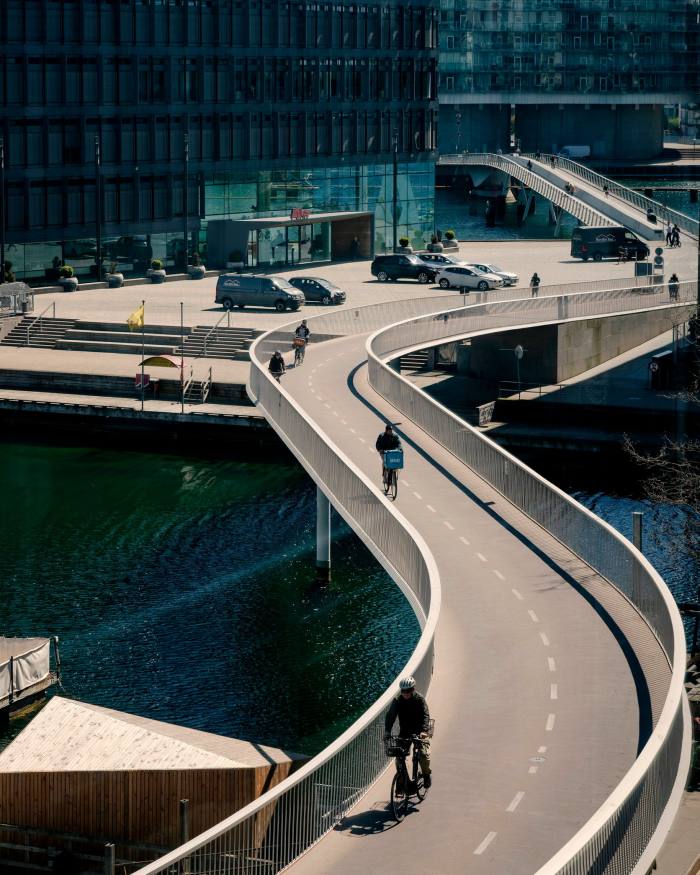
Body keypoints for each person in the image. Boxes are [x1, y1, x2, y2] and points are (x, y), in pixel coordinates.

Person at [384, 676, 432, 789]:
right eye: (403, 691)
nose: (405, 693)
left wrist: (424, 730)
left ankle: (426, 775)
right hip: (405, 732)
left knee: (423, 755)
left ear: (413, 689)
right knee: (399, 758)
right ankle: (401, 783)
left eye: (408, 690)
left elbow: (425, 715)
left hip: (420, 732)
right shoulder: (397, 700)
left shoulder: (419, 699)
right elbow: (391, 716)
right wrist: (387, 731)